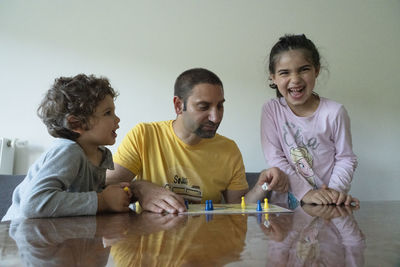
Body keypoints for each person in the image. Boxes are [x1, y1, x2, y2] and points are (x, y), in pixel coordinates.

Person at [107, 68, 288, 213]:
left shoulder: (229, 149)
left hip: (207, 249)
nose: (216, 117)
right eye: (204, 107)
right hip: (152, 246)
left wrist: (261, 185)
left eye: (220, 106)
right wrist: (140, 188)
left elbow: (239, 209)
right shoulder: (144, 135)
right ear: (179, 105)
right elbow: (104, 187)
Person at [2, 74, 130, 221]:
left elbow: (80, 196)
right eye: (108, 113)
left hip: (56, 236)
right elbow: (33, 204)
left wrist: (115, 195)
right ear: (76, 124)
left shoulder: (101, 154)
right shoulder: (68, 151)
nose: (117, 119)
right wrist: (103, 201)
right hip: (19, 236)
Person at [261, 34, 359, 206]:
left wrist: (333, 193)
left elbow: (345, 158)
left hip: (327, 204)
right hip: (286, 210)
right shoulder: (271, 111)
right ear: (273, 77)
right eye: (284, 73)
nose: (295, 79)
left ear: (317, 70)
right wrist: (305, 193)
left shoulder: (334, 112)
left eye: (304, 69)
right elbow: (275, 159)